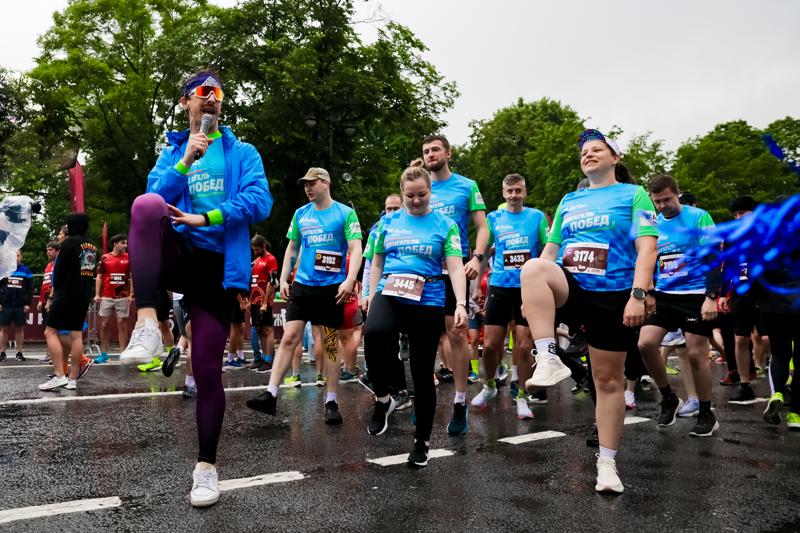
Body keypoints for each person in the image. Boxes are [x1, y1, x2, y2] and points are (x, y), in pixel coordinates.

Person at [119, 69, 272, 507]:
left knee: (206, 370)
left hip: (217, 265)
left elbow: (260, 201)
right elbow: (153, 201)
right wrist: (185, 160)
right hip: (177, 250)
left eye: (218, 93)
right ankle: (148, 323)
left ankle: (206, 467)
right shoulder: (172, 151)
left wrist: (206, 217)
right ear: (186, 102)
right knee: (145, 203)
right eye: (203, 92)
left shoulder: (242, 152)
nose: (212, 99)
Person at [520, 129, 658, 493]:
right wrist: (532, 289)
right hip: (575, 289)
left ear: (615, 158)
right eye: (584, 151)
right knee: (532, 268)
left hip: (614, 296)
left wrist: (639, 294)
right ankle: (548, 358)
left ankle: (607, 464)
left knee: (608, 381)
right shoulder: (569, 200)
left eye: (597, 149)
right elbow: (550, 252)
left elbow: (647, 248)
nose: (589, 154)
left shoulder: (634, 194)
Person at [364, 160, 468, 466]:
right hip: (390, 290)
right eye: (410, 195)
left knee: (422, 374)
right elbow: (377, 262)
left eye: (422, 194)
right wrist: (370, 294)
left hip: (428, 298)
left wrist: (461, 303)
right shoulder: (387, 223)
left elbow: (455, 266)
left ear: (430, 191)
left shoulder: (445, 225)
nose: (416, 200)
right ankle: (383, 398)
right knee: (374, 333)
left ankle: (422, 442)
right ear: (402, 193)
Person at [247, 167, 362, 425]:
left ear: (326, 183)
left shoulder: (345, 213)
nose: (308, 188)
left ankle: (331, 401)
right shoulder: (301, 214)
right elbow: (292, 247)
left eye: (313, 183)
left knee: (329, 343)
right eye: (305, 184)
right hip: (302, 285)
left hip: (332, 287)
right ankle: (271, 394)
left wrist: (350, 279)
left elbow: (356, 248)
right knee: (289, 336)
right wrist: (284, 278)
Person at [637, 175, 722, 437]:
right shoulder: (651, 222)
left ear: (677, 193)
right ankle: (668, 397)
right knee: (645, 344)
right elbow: (647, 259)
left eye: (667, 200)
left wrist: (711, 296)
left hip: (694, 294)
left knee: (696, 354)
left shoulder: (699, 217)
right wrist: (649, 292)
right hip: (664, 295)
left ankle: (706, 413)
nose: (662, 206)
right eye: (657, 201)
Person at [422, 134, 489, 435]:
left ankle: (460, 402)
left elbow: (482, 227)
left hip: (455, 264)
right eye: (426, 151)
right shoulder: (421, 187)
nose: (430, 154)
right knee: (424, 334)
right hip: (423, 265)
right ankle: (424, 399)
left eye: (435, 149)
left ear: (448, 153)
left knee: (457, 333)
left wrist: (477, 258)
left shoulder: (467, 186)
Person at [470, 174, 548, 421]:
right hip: (500, 287)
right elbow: (484, 252)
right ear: (503, 193)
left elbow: (548, 249)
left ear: (525, 192)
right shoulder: (493, 218)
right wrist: (477, 286)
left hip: (528, 287)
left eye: (518, 190)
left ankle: (522, 396)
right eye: (510, 191)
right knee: (490, 345)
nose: (514, 195)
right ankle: (489, 386)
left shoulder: (536, 217)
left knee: (524, 345)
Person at [38, 213, 97, 390]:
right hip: (84, 293)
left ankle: (59, 375)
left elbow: (59, 271)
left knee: (50, 332)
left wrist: (54, 294)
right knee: (76, 335)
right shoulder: (92, 245)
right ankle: (72, 379)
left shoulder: (69, 243)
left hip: (66, 293)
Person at [94, 234, 132, 364]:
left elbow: (131, 277)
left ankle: (123, 353)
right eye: (123, 243)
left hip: (122, 297)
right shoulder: (105, 258)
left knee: (122, 323)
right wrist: (97, 294)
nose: (125, 245)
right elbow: (99, 277)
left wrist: (131, 295)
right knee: (104, 324)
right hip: (106, 296)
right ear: (115, 244)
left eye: (126, 243)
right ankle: (104, 354)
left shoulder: (129, 258)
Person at [248, 235, 278, 372]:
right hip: (255, 300)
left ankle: (269, 360)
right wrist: (250, 300)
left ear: (263, 246)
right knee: (259, 330)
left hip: (264, 300)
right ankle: (263, 358)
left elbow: (272, 282)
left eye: (257, 249)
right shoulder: (257, 260)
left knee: (267, 330)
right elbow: (254, 282)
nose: (255, 252)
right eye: (253, 250)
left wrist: (265, 302)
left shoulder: (271, 259)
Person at [0, 250, 34, 361]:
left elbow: (30, 289)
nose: (16, 258)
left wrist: (27, 303)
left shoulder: (26, 270)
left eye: (18, 255)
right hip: (6, 305)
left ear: (21, 257)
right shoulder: (4, 269)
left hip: (20, 305)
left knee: (19, 329)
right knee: (3, 329)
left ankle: (19, 352)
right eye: (13, 256)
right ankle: (2, 353)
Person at [37, 241, 60, 364]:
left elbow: (56, 285)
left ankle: (56, 354)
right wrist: (41, 300)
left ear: (57, 251)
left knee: (53, 329)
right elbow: (44, 285)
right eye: (47, 250)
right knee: (47, 328)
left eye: (51, 250)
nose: (48, 252)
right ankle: (50, 353)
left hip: (54, 298)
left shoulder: (60, 264)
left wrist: (50, 300)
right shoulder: (48, 266)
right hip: (46, 298)